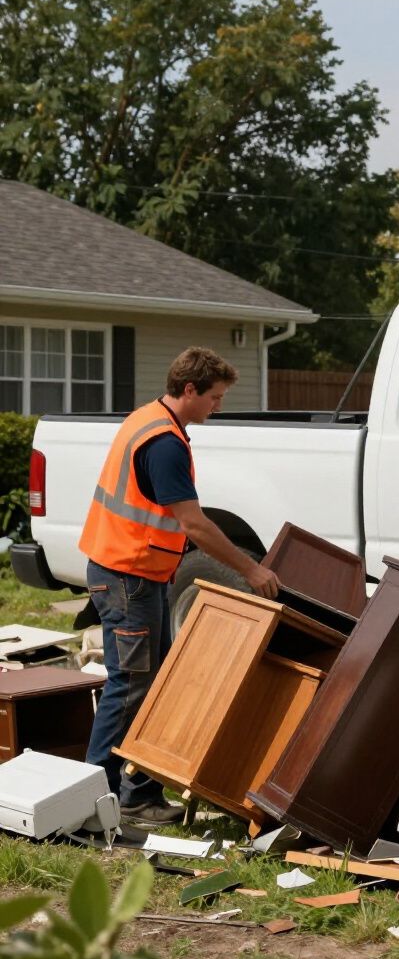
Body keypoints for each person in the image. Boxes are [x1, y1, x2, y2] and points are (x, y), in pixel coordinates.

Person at [79, 347, 280, 825]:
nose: (218, 405)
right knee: (129, 687)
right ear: (189, 390)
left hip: (128, 574)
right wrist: (251, 570)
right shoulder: (164, 443)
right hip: (128, 578)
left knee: (150, 685)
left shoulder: (149, 419)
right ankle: (96, 801)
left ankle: (138, 795)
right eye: (214, 397)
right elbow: (195, 525)